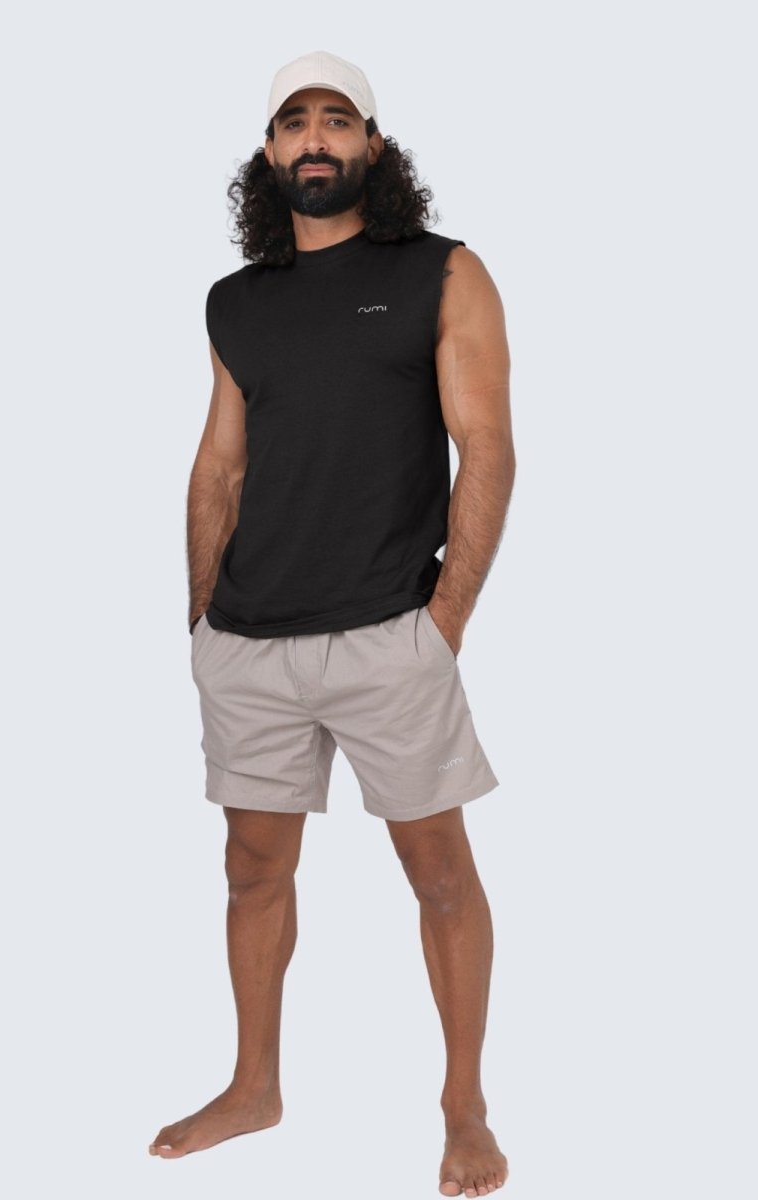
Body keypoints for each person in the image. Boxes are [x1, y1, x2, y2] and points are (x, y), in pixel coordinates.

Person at [149, 49, 515, 1197]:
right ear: (268, 152)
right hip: (246, 641)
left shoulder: (441, 271)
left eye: (336, 119)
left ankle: (463, 1107)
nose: (314, 137)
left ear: (371, 143)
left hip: (387, 634)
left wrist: (444, 618)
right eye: (293, 122)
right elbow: (219, 464)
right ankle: (254, 1086)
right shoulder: (237, 301)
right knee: (250, 871)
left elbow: (486, 447)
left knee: (438, 875)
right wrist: (199, 614)